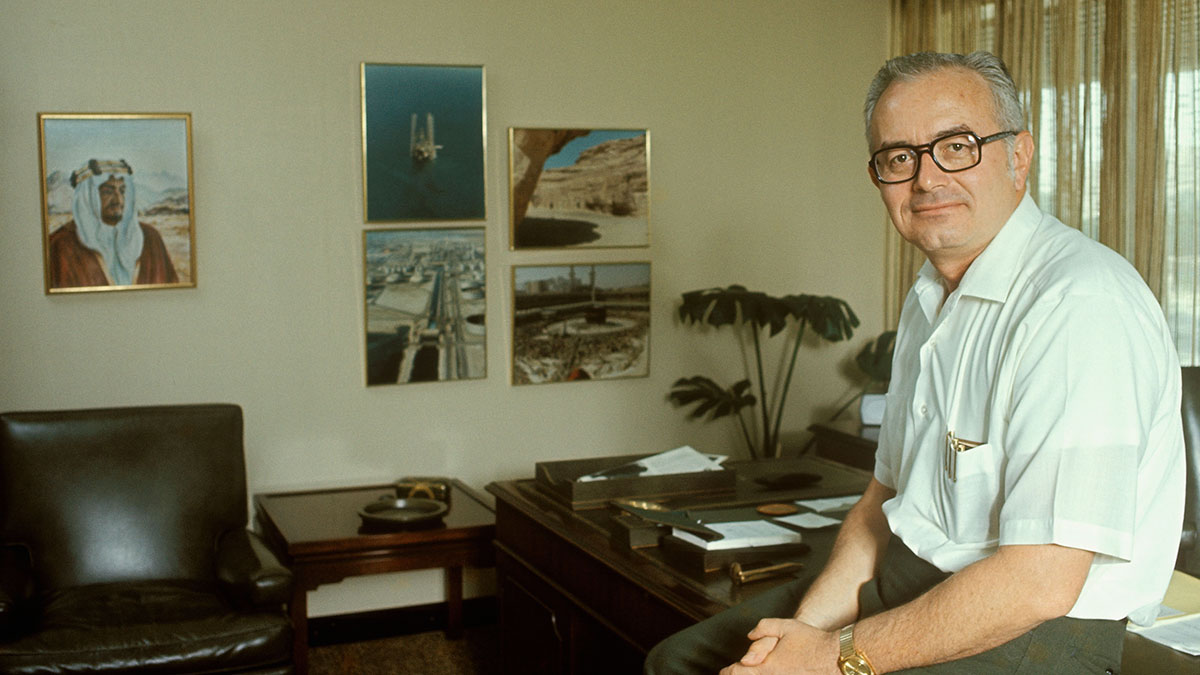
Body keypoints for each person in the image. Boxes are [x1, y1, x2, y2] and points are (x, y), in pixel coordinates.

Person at [644, 51, 1185, 675]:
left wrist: (832, 658)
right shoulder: (933, 293)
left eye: (957, 146)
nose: (926, 179)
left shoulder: (1080, 303)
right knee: (679, 661)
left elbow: (1040, 582)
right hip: (913, 577)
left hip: (1039, 627)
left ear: (1019, 155)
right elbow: (882, 502)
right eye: (900, 157)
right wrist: (799, 636)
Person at [47, 158, 179, 288]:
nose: (118, 200)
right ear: (88, 197)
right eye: (108, 191)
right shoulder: (60, 245)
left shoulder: (151, 239)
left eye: (122, 191)